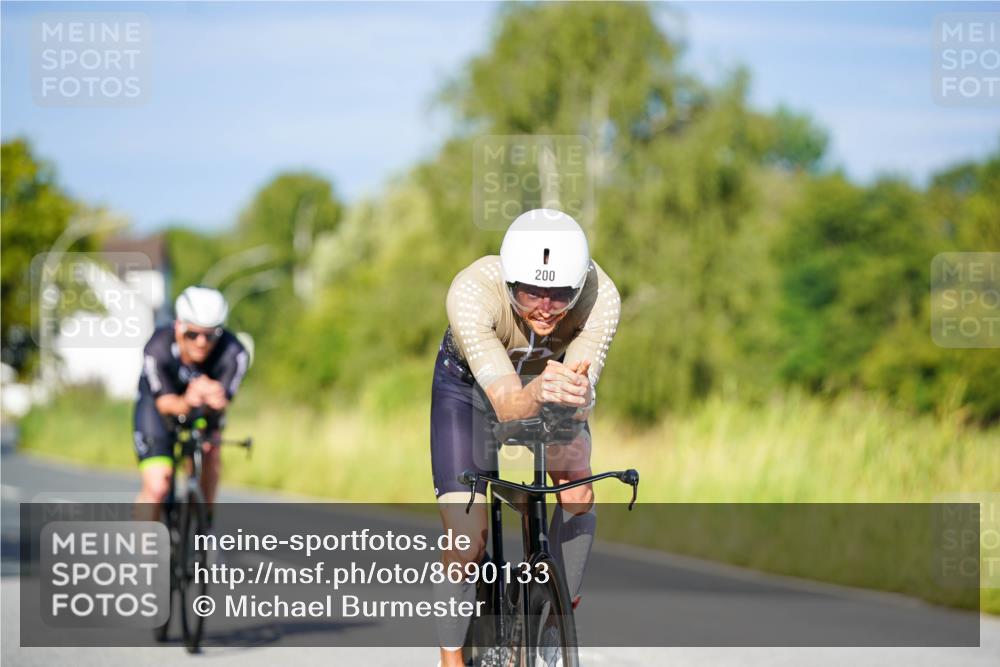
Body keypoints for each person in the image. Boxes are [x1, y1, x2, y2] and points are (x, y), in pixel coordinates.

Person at [431, 208, 621, 666]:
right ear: (510, 280)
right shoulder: (473, 292)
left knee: (579, 491)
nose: (544, 307)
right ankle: (450, 656)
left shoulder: (601, 295)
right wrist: (539, 388)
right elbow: (509, 408)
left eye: (560, 297)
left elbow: (580, 396)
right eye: (530, 293)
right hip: (472, 392)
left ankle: (558, 613)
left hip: (550, 388)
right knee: (467, 539)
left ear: (578, 287)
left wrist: (578, 397)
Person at [132, 286, 249, 524]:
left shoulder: (235, 353)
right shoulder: (157, 348)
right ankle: (143, 555)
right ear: (178, 327)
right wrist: (189, 399)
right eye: (193, 334)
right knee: (157, 485)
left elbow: (221, 402)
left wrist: (210, 399)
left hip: (202, 411)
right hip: (158, 408)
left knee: (211, 451)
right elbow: (166, 404)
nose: (202, 342)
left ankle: (203, 522)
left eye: (211, 335)